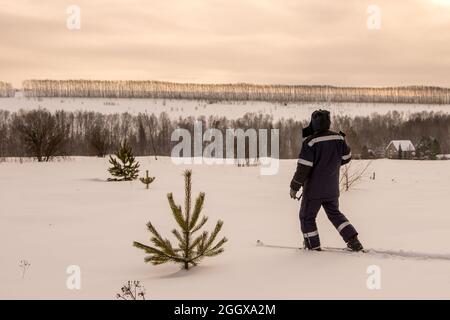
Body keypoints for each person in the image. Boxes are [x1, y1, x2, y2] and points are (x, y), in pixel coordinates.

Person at [289, 109, 363, 251]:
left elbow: (303, 168)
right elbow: (347, 158)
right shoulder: (339, 138)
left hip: (313, 191)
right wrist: (331, 163)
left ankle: (312, 246)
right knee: (335, 215)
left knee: (307, 217)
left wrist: (294, 187)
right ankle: (353, 240)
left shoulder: (310, 142)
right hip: (332, 189)